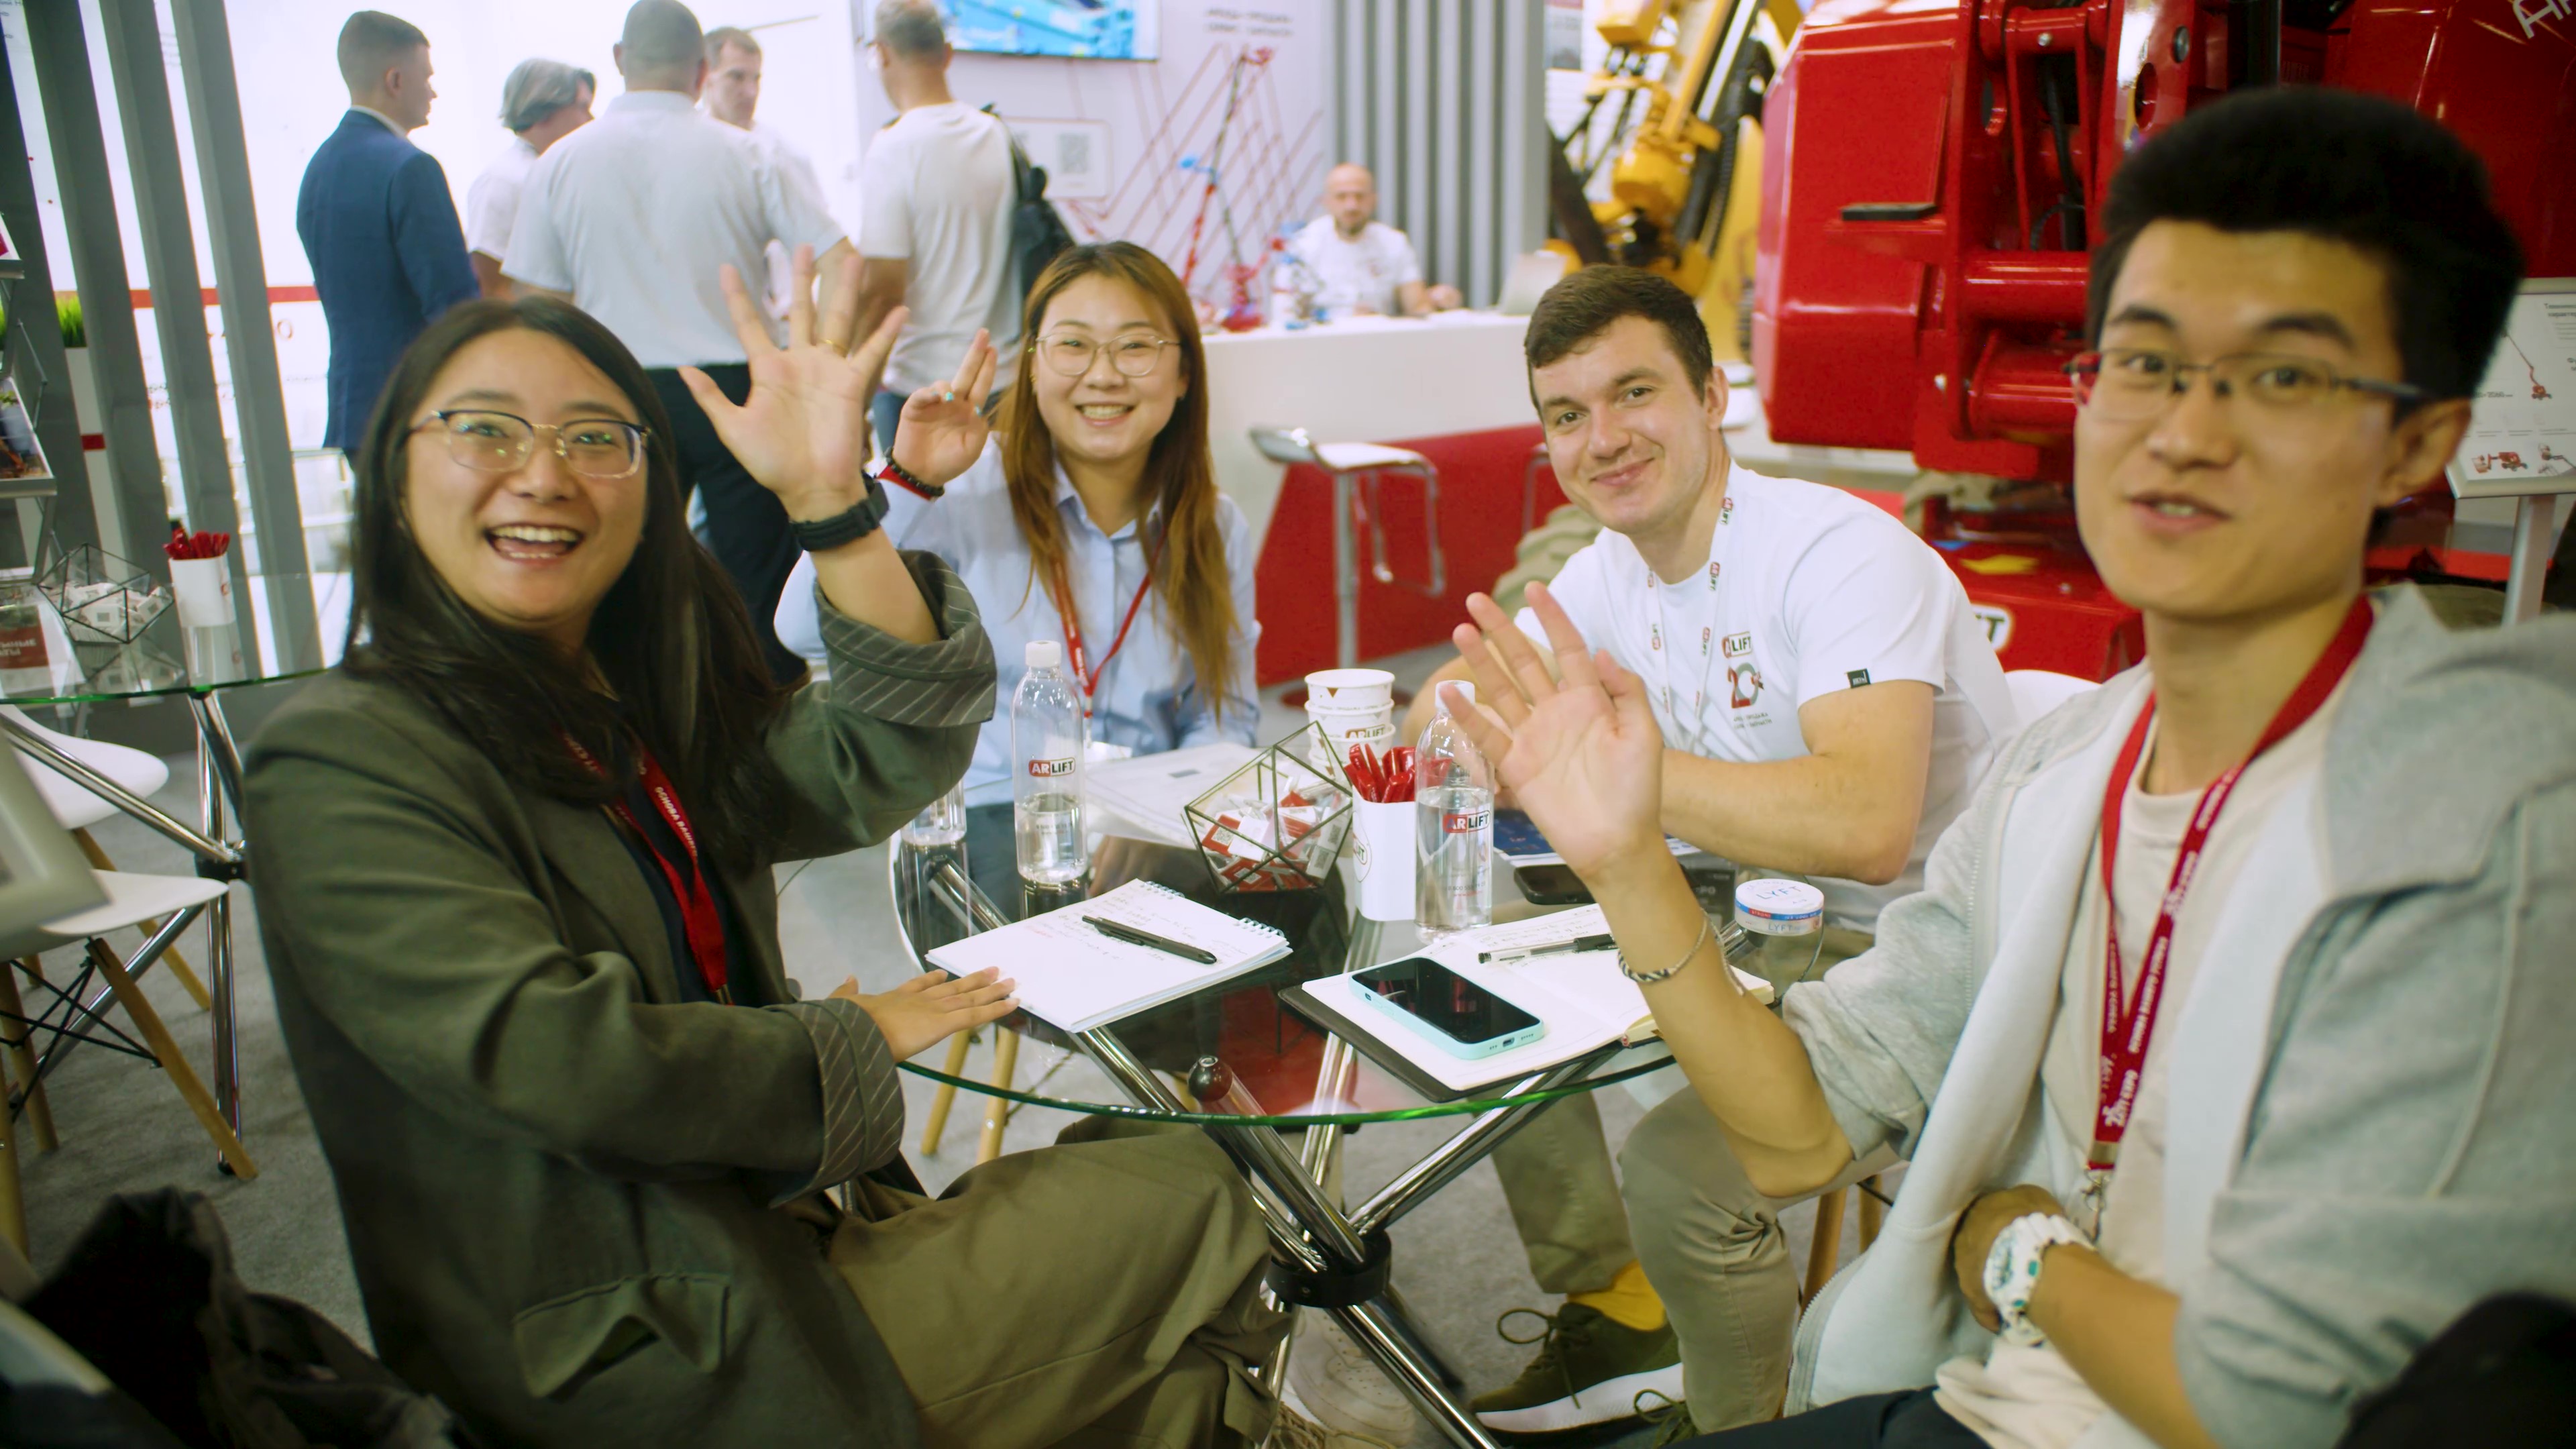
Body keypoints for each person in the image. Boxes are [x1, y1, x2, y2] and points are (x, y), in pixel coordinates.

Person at [1442, 90, 2573, 1449]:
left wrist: (2011, 1247)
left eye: (2282, 375)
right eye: (2144, 362)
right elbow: (1797, 1141)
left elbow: (2274, 1404)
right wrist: (1622, 852)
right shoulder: (2057, 780)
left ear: (2419, 441)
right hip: (1984, 1397)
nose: (2183, 431)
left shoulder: (2491, 813)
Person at [243, 246, 1286, 1449]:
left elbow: (877, 758)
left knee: (1169, 1326)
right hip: (639, 1339)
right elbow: (559, 1060)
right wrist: (852, 1037)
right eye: (485, 429)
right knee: (1212, 1188)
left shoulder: (621, 707)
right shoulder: (343, 755)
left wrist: (837, 508)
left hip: (770, 1236)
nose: (544, 473)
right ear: (391, 471)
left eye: (595, 438)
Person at [1379, 266, 2015, 1438]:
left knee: (1682, 1180)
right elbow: (1451, 709)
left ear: (1713, 396)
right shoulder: (1606, 570)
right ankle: (1620, 1303)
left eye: (1634, 394)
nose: (1603, 439)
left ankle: (1743, 1424)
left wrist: (1623, 774)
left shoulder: (1836, 552)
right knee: (1471, 985)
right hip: (1737, 911)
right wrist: (1464, 719)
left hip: (1906, 943)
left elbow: (1866, 827)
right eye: (1567, 415)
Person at [777, 241, 1258, 814]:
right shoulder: (954, 486)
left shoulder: (1214, 523)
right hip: (994, 818)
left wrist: (1176, 818)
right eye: (1073, 345)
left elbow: (1224, 715)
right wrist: (905, 481)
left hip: (1148, 823)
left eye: (1136, 346)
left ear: (1184, 374)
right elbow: (804, 632)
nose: (1103, 376)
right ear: (1031, 367)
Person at [504, 0, 848, 684]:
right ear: (700, 72)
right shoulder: (748, 152)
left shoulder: (560, 162)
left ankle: (626, 721)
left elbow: (535, 306)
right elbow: (842, 260)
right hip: (735, 388)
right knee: (760, 582)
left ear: (619, 61)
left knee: (622, 573)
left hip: (616, 391)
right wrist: (823, 360)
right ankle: (770, 725)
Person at [296, 10, 476, 460]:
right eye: (427, 77)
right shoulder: (411, 167)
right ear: (395, 80)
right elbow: (454, 305)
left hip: (353, 409)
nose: (433, 91)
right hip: (416, 409)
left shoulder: (318, 169)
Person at [851, 0, 1022, 453]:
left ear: (881, 54)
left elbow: (883, 292)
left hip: (922, 390)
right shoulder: (997, 134)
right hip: (1003, 379)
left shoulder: (893, 147)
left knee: (913, 503)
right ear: (947, 54)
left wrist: (854, 403)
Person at [702, 24, 836, 315]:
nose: (750, 92)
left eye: (756, 79)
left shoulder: (784, 155)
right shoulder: (690, 153)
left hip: (780, 323)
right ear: (706, 76)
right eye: (736, 77)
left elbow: (823, 248)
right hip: (710, 318)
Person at [464, 60, 594, 300]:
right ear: (544, 108)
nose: (591, 119)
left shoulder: (553, 172)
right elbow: (493, 288)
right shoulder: (502, 181)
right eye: (582, 107)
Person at [1271, 164, 1464, 323]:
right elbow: (1285, 315)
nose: (1352, 206)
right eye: (1342, 197)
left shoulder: (1394, 242)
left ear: (1374, 200)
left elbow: (1417, 307)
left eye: (1359, 196)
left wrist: (1438, 301)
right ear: (1326, 201)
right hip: (1321, 344)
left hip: (1379, 343)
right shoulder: (1302, 245)